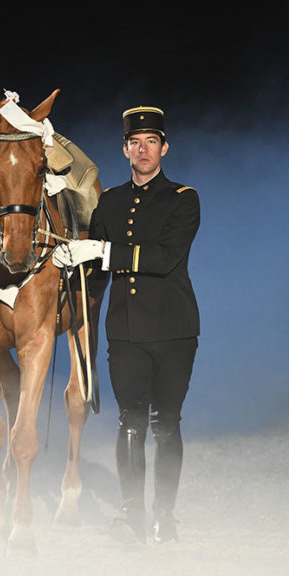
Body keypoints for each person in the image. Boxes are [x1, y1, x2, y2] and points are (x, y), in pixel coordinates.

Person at [52, 106, 200, 544]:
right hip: (127, 332)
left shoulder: (183, 199)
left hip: (174, 332)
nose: (143, 150)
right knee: (130, 421)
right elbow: (95, 273)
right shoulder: (111, 201)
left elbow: (163, 258)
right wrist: (67, 263)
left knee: (167, 423)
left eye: (151, 142)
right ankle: (132, 516)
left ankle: (165, 519)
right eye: (135, 143)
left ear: (164, 148)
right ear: (124, 150)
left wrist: (98, 249)